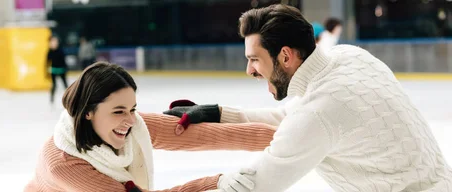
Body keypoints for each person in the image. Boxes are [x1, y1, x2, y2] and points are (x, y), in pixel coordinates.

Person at [163, 4, 452, 192]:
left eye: (254, 59)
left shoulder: (318, 114)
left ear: (285, 56)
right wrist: (218, 113)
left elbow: (255, 184)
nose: (249, 70)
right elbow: (295, 117)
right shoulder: (349, 56)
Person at [24, 62, 277, 192]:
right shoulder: (64, 164)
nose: (131, 120)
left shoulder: (134, 127)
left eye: (132, 109)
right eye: (118, 111)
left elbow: (209, 136)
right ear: (88, 112)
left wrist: (291, 138)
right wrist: (215, 182)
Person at [46, 36, 68, 102]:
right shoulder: (50, 51)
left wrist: (65, 68)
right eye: (52, 42)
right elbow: (47, 61)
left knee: (65, 85)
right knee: (54, 85)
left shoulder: (60, 50)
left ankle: (69, 98)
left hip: (61, 69)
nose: (54, 43)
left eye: (55, 42)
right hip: (54, 69)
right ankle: (52, 99)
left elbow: (64, 60)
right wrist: (46, 70)